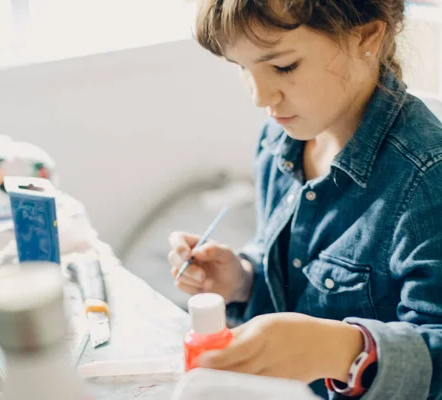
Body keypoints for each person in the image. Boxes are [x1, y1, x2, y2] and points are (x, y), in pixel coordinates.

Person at [167, 1, 442, 399]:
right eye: (242, 67)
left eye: (283, 67)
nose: (260, 97)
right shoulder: (279, 140)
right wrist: (242, 280)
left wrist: (343, 349)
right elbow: (287, 272)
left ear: (367, 36)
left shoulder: (427, 176)